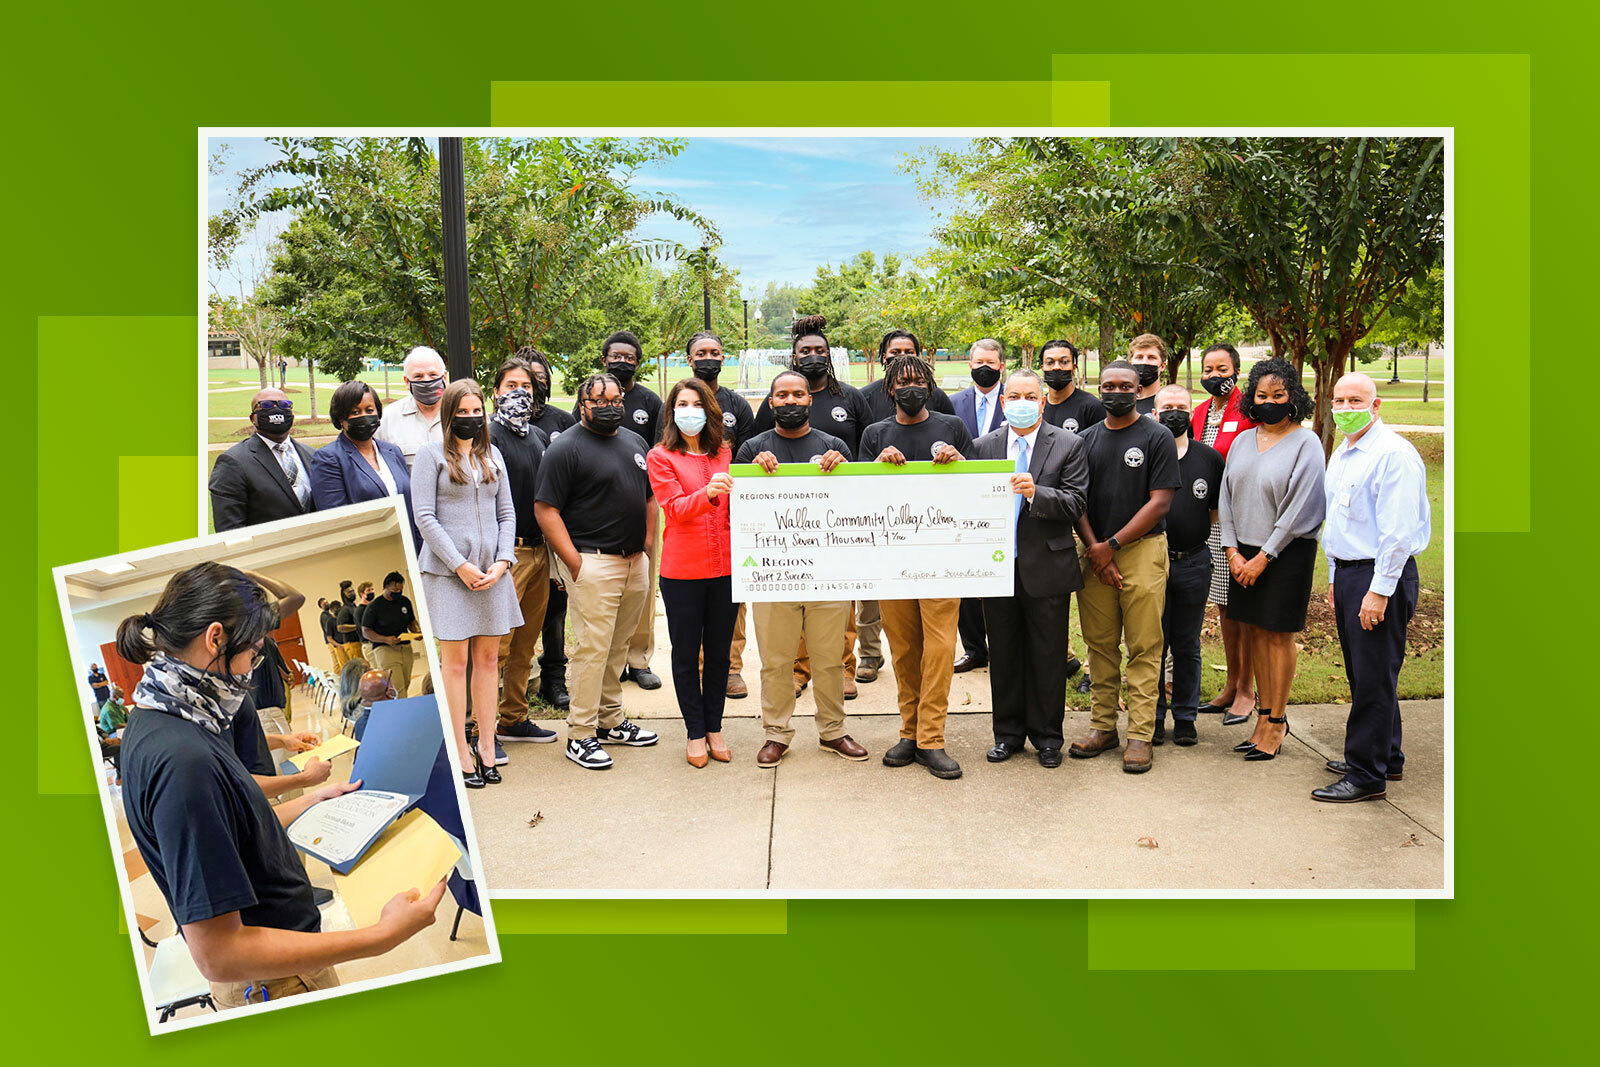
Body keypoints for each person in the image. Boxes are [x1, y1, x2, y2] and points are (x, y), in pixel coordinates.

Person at [116, 562, 445, 1008]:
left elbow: (233, 824)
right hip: (274, 979)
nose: (253, 667)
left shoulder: (169, 715)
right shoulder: (182, 760)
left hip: (282, 963)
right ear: (215, 638)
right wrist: (379, 937)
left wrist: (314, 798)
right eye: (252, 651)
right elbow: (219, 953)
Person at [736, 373, 865, 768]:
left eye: (797, 394)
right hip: (775, 575)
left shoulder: (835, 447)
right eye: (781, 395)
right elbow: (736, 512)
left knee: (829, 659)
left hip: (827, 573)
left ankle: (833, 731)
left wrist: (844, 471)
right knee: (776, 660)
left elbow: (857, 508)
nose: (790, 400)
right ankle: (776, 733)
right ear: (770, 402)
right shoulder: (752, 450)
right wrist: (752, 475)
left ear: (810, 399)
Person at [1314, 372, 1430, 803]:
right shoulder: (1344, 453)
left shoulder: (1392, 455)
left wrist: (1379, 591)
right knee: (1367, 673)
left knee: (1374, 675)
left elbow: (1397, 534)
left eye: (1355, 400)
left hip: (1380, 574)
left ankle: (1366, 775)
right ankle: (1386, 755)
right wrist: (1333, 576)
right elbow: (1339, 521)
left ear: (1376, 405)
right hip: (1349, 572)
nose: (1345, 409)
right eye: (1338, 401)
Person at [536, 372, 661, 771]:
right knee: (592, 649)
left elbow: (649, 497)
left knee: (617, 647)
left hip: (633, 563)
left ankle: (611, 720)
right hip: (593, 562)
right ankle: (581, 734)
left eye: (616, 400)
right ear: (583, 404)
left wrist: (645, 545)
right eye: (600, 401)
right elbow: (545, 509)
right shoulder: (566, 448)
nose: (610, 407)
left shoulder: (634, 441)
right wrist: (574, 561)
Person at [861, 353, 974, 779]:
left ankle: (932, 737)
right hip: (893, 559)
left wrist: (959, 463)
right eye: (902, 381)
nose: (911, 387)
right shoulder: (875, 433)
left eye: (918, 380)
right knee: (904, 648)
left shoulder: (952, 428)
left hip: (943, 557)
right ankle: (908, 731)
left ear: (929, 385)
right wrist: (875, 467)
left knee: (941, 648)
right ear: (890, 389)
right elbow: (859, 501)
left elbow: (975, 492)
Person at [751, 316, 875, 699]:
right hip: (785, 526)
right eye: (806, 351)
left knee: (840, 599)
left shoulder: (850, 398)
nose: (814, 355)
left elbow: (866, 448)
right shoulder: (777, 402)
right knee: (796, 598)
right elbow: (753, 454)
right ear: (794, 356)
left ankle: (844, 668)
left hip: (837, 520)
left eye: (820, 350)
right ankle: (799, 670)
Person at [969, 370, 1089, 767]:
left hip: (1047, 565)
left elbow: (1075, 502)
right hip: (998, 568)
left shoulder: (1069, 444)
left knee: (1048, 655)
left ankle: (1048, 737)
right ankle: (1007, 735)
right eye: (1014, 395)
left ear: (1042, 401)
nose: (1022, 402)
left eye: (1031, 396)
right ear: (1004, 402)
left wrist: (1036, 492)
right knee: (1003, 654)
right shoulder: (983, 446)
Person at [1071, 360, 1179, 774]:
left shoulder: (1157, 436)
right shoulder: (1084, 440)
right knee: (1099, 647)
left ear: (1139, 390)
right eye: (1108, 385)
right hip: (1094, 553)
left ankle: (1139, 735)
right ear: (1099, 389)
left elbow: (1161, 501)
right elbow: (1076, 497)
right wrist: (1095, 548)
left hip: (1142, 552)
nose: (1116, 392)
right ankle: (1103, 727)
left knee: (1145, 647)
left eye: (1125, 386)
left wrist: (1112, 545)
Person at [413, 380, 522, 788]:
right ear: (448, 415)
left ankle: (488, 745)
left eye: (477, 411)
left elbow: (507, 512)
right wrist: (459, 564)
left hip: (492, 573)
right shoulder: (429, 456)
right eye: (462, 412)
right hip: (449, 575)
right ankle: (461, 747)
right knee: (455, 663)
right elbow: (424, 516)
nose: (471, 419)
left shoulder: (493, 454)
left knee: (490, 660)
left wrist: (503, 560)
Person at [1219, 356, 1327, 762]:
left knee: (1278, 636)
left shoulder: (1306, 442)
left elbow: (1303, 507)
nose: (1269, 402)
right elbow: (1225, 497)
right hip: (1241, 551)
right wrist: (1232, 550)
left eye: (1278, 395)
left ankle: (1276, 722)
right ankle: (1262, 717)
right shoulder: (1245, 440)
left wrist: (1264, 556)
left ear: (1293, 396)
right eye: (1261, 395)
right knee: (1255, 634)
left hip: (1285, 553)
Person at [647, 377, 739, 768]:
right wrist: (710, 494)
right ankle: (695, 731)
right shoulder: (661, 457)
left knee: (719, 654)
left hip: (727, 570)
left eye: (696, 403)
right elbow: (676, 509)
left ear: (709, 410)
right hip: (683, 572)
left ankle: (715, 726)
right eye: (681, 404)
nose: (689, 411)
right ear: (672, 412)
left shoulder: (725, 454)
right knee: (686, 655)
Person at [573, 330, 665, 692]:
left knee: (642, 595)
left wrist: (648, 528)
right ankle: (608, 662)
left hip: (639, 512)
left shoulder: (650, 401)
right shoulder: (586, 401)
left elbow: (657, 452)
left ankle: (638, 659)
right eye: (616, 356)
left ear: (637, 363)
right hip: (596, 520)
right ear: (604, 359)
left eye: (629, 357)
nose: (622, 361)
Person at [486, 357, 558, 746]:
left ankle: (513, 718)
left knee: (527, 643)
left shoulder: (538, 437)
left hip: (539, 551)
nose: (519, 392)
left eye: (527, 386)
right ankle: (480, 724)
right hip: (507, 554)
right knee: (498, 644)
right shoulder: (489, 435)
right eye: (511, 384)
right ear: (496, 391)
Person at [1151, 385, 1224, 747]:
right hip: (1150, 563)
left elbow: (1212, 512)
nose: (1174, 413)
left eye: (1182, 407)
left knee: (1187, 643)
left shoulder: (1209, 459)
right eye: (1167, 407)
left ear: (1192, 413)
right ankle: (1154, 716)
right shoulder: (1147, 452)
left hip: (1193, 562)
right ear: (1154, 412)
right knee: (1152, 643)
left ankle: (1185, 716)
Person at [1190, 342, 1260, 721]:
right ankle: (1231, 683)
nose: (1214, 376)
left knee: (1241, 606)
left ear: (1236, 370)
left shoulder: (1247, 410)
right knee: (1223, 606)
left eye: (1221, 368)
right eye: (1208, 369)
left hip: (1238, 521)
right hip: (1207, 520)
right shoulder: (1200, 412)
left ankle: (1247, 690)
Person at [1037, 338, 1101, 692]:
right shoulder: (1038, 406)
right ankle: (1064, 658)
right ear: (1042, 367)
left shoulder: (1090, 407)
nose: (1057, 368)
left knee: (1090, 603)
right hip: (1048, 517)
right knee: (1052, 599)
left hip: (1082, 516)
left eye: (1064, 362)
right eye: (1050, 362)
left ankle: (1093, 668)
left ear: (1075, 366)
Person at [514, 346, 575, 708]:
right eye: (525, 378)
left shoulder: (561, 421)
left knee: (555, 610)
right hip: (517, 538)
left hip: (554, 536)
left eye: (540, 377)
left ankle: (554, 678)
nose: (534, 385)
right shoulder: (500, 425)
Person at [949, 337, 1008, 673]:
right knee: (965, 579)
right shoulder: (952, 403)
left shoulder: (1014, 401)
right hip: (961, 503)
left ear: (1001, 365)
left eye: (991, 362)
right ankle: (974, 648)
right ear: (969, 364)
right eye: (978, 362)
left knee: (1000, 578)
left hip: (1004, 503)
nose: (984, 367)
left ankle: (1002, 645)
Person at [309, 380, 414, 536]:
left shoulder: (392, 452)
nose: (364, 416)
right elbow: (335, 520)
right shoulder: (328, 459)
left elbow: (410, 509)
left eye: (370, 410)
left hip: (408, 547)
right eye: (356, 412)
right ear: (341, 419)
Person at [209, 388, 317, 531]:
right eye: (266, 405)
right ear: (253, 418)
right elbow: (229, 530)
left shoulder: (313, 455)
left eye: (284, 404)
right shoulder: (232, 462)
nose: (276, 409)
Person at [858, 329, 956, 423]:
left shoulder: (936, 395)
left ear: (917, 356)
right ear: (884, 357)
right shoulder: (865, 397)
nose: (902, 356)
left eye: (909, 352)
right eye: (895, 352)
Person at [375, 345, 447, 470]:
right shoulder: (386, 419)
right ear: (407, 382)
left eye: (433, 375)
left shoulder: (464, 414)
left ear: (444, 377)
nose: (426, 381)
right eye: (418, 376)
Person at [362, 572, 420, 700]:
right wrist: (386, 639)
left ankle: (400, 706)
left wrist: (416, 630)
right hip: (385, 650)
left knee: (405, 683)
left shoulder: (404, 601)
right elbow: (366, 631)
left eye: (400, 590)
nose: (398, 592)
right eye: (394, 589)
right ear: (386, 587)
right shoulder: (374, 606)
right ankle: (404, 713)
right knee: (397, 686)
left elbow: (411, 621)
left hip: (404, 648)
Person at [1128, 333, 1169, 416]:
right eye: (1139, 357)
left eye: (1151, 357)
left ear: (1163, 366)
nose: (1144, 362)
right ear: (1131, 363)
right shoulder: (1122, 404)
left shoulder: (1168, 403)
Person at [334, 581, 362, 663]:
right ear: (344, 594)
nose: (352, 593)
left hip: (358, 642)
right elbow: (340, 628)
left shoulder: (353, 607)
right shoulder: (344, 610)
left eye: (353, 591)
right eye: (349, 592)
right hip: (352, 644)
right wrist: (357, 627)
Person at [317, 598, 345, 669]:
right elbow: (328, 630)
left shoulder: (329, 614)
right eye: (324, 604)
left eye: (327, 602)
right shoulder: (324, 616)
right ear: (321, 607)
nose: (326, 604)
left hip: (333, 640)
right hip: (331, 641)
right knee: (337, 661)